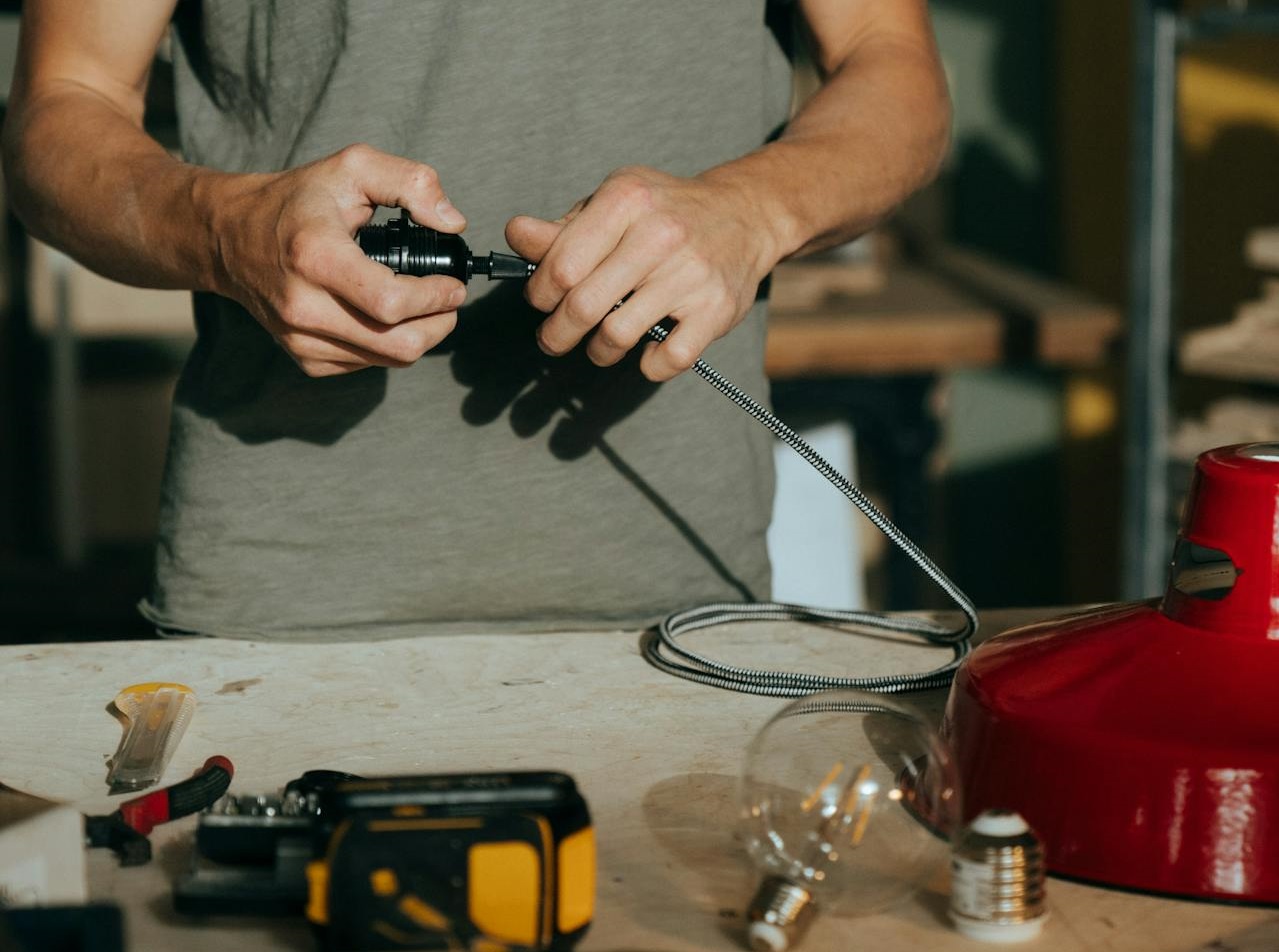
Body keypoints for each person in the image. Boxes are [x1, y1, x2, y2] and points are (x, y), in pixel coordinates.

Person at [3, 2, 951, 639]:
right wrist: (223, 231)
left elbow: (890, 63)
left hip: (676, 592)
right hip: (286, 604)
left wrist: (756, 209)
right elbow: (63, 103)